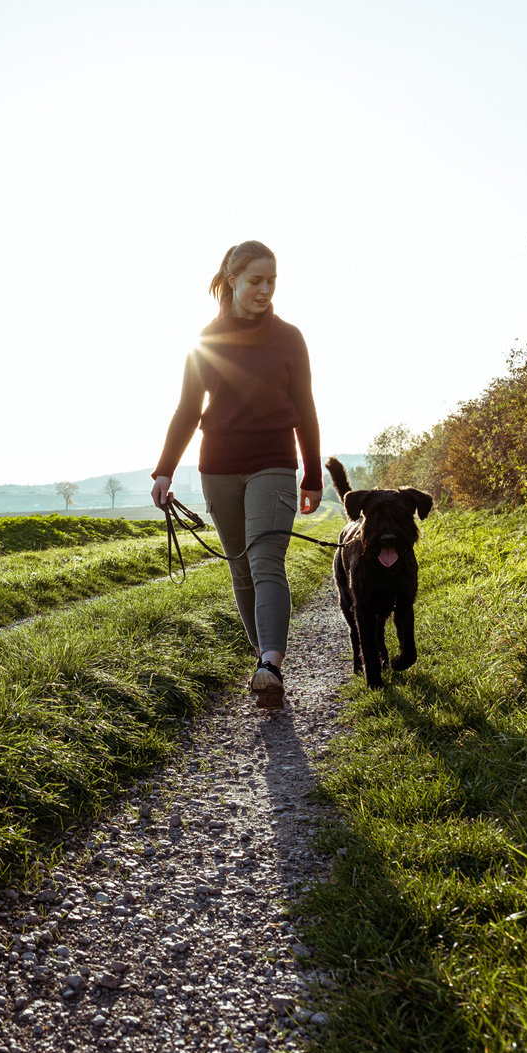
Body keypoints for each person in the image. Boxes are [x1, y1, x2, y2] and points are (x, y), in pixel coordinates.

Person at [150, 240, 322, 708]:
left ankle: (270, 663)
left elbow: (304, 409)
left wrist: (311, 473)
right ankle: (263, 665)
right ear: (232, 281)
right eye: (255, 281)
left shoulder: (289, 338)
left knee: (267, 562)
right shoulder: (206, 340)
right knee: (241, 569)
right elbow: (188, 410)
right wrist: (164, 471)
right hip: (219, 468)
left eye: (272, 281)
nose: (265, 290)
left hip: (274, 464)